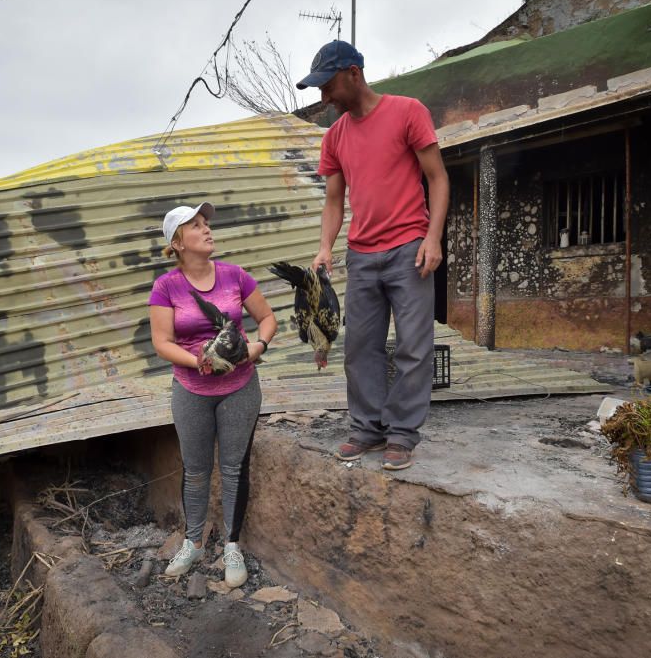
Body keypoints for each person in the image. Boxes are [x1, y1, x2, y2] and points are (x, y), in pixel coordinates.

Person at [297, 40, 449, 471]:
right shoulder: (336, 136)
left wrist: (433, 237)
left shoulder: (407, 111)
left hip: (409, 248)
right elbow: (333, 200)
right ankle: (367, 428)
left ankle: (402, 433)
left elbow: (437, 179)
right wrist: (326, 246)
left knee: (414, 348)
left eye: (327, 87)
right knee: (360, 347)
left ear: (353, 74)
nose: (323, 98)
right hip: (362, 255)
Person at [149, 202, 277, 587]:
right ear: (178, 242)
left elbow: (267, 319)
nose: (207, 230)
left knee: (235, 467)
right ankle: (194, 542)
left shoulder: (236, 277)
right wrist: (196, 359)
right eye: (197, 226)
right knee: (196, 469)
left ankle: (232, 545)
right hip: (191, 389)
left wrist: (258, 347)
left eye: (207, 224)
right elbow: (161, 342)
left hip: (240, 387)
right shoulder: (166, 286)